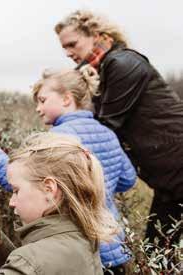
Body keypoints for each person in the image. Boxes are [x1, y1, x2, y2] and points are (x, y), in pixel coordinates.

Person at [0, 65, 136, 274]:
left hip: (71, 246)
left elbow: (31, 182)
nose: (38, 108)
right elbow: (128, 179)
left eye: (42, 100)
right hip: (111, 242)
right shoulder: (107, 133)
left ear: (67, 99)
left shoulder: (57, 140)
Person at [54, 10, 183, 246]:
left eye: (72, 44)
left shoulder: (122, 64)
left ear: (95, 34)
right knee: (158, 249)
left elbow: (105, 124)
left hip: (176, 167)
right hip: (168, 179)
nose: (68, 52)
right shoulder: (106, 67)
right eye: (64, 48)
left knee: (159, 248)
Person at [0, 132, 119, 275]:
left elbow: (33, 266)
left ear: (49, 189)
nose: (11, 202)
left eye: (16, 190)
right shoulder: (85, 239)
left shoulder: (30, 262)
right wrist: (1, 252)